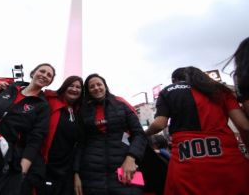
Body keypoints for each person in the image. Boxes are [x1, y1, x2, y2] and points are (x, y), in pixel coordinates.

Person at [145, 66, 249, 195]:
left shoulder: (168, 91)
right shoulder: (220, 90)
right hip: (229, 161)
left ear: (175, 80)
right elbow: (244, 126)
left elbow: (160, 124)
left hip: (187, 162)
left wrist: (143, 134)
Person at [0, 63, 56, 195]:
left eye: (49, 75)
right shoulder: (9, 89)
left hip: (6, 160)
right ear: (33, 73)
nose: (45, 75)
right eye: (42, 71)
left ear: (49, 82)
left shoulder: (43, 106)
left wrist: (21, 172)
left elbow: (36, 140)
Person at [74, 73, 147, 195]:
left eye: (99, 84)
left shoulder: (121, 104)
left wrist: (131, 157)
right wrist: (76, 172)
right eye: (92, 86)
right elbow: (80, 143)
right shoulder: (83, 111)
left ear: (105, 86)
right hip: (91, 174)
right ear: (88, 91)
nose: (96, 88)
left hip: (126, 167)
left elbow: (139, 134)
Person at [41, 75, 83, 195]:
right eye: (71, 85)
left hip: (68, 169)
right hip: (47, 166)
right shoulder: (49, 101)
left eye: (78, 87)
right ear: (64, 87)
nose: (74, 89)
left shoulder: (79, 110)